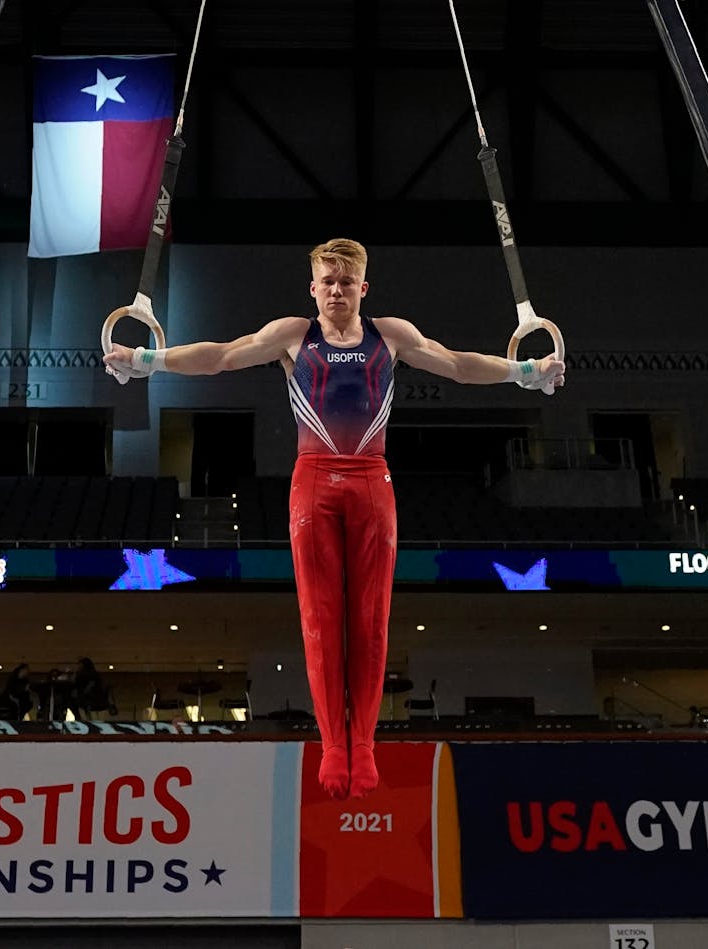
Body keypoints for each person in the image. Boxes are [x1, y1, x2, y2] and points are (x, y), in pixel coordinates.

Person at [104, 238, 564, 799]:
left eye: (348, 282)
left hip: (372, 480)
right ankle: (333, 746)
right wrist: (147, 360)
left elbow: (459, 366)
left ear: (363, 288)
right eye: (328, 281)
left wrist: (525, 371)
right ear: (313, 287)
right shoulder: (293, 336)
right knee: (320, 621)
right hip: (313, 481)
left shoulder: (390, 336)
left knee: (370, 622)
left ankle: (364, 746)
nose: (337, 290)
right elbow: (221, 356)